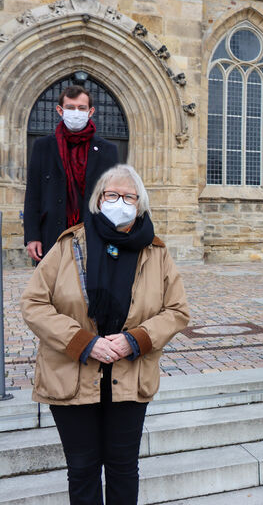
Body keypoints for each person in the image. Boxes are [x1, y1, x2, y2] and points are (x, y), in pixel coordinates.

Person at [21, 164, 190, 504]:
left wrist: (135, 339)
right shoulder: (69, 245)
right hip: (72, 372)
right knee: (82, 468)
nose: (120, 201)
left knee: (123, 467)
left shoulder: (156, 252)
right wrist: (84, 342)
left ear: (139, 203)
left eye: (128, 196)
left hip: (130, 375)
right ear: (99, 199)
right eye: (112, 194)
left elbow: (177, 311)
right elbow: (34, 304)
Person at [24, 84, 119, 262]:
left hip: (94, 234)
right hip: (51, 234)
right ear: (60, 110)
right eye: (70, 107)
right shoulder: (43, 147)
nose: (76, 112)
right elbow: (33, 194)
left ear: (90, 112)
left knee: (90, 289)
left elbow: (113, 196)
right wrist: (32, 236)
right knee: (52, 288)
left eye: (81, 108)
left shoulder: (108, 151)